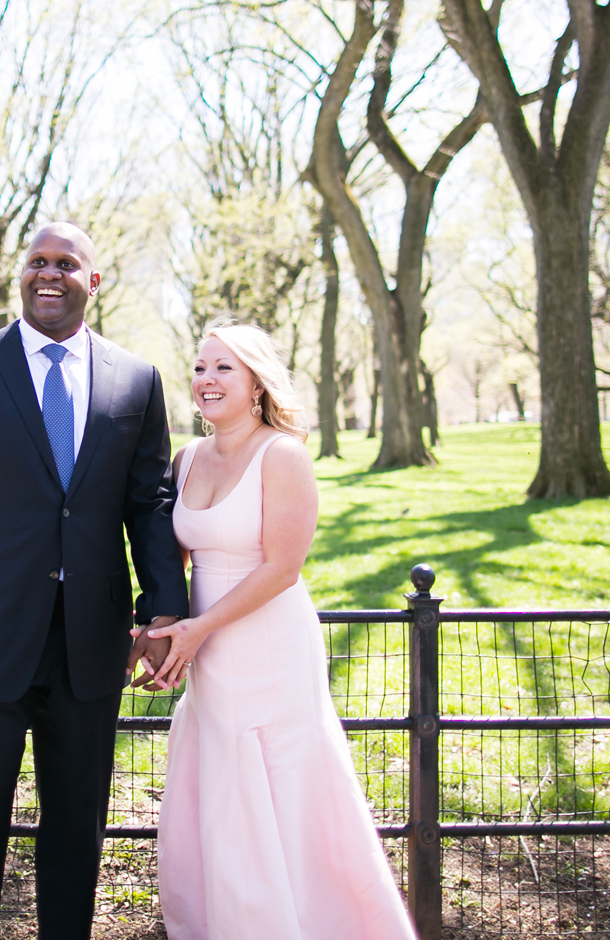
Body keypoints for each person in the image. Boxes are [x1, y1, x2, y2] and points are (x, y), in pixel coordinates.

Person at [0, 222, 187, 940]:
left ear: (95, 281)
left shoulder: (137, 380)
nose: (48, 274)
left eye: (66, 263)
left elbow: (148, 505)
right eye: (36, 262)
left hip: (90, 646)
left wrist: (162, 615)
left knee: (75, 830)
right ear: (20, 275)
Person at [145, 321, 415, 940]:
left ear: (257, 383)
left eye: (224, 369)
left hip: (268, 643)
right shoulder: (187, 459)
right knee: (220, 785)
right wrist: (162, 629)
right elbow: (181, 559)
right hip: (204, 652)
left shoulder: (283, 454)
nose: (206, 380)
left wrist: (200, 628)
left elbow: (282, 568)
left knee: (282, 786)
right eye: (200, 367)